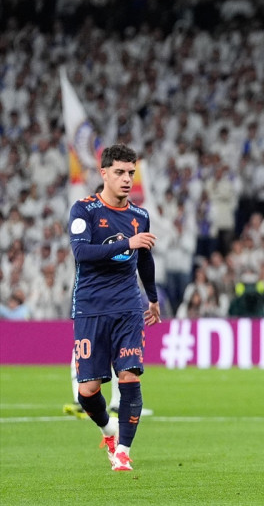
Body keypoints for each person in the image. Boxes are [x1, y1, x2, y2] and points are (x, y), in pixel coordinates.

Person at [66, 144, 161, 471]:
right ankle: (108, 429)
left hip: (128, 309)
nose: (126, 179)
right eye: (119, 172)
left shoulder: (140, 216)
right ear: (104, 173)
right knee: (87, 391)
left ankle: (123, 451)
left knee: (130, 376)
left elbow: (144, 260)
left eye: (131, 173)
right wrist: (126, 244)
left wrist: (152, 298)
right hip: (91, 308)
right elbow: (82, 253)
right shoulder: (84, 210)